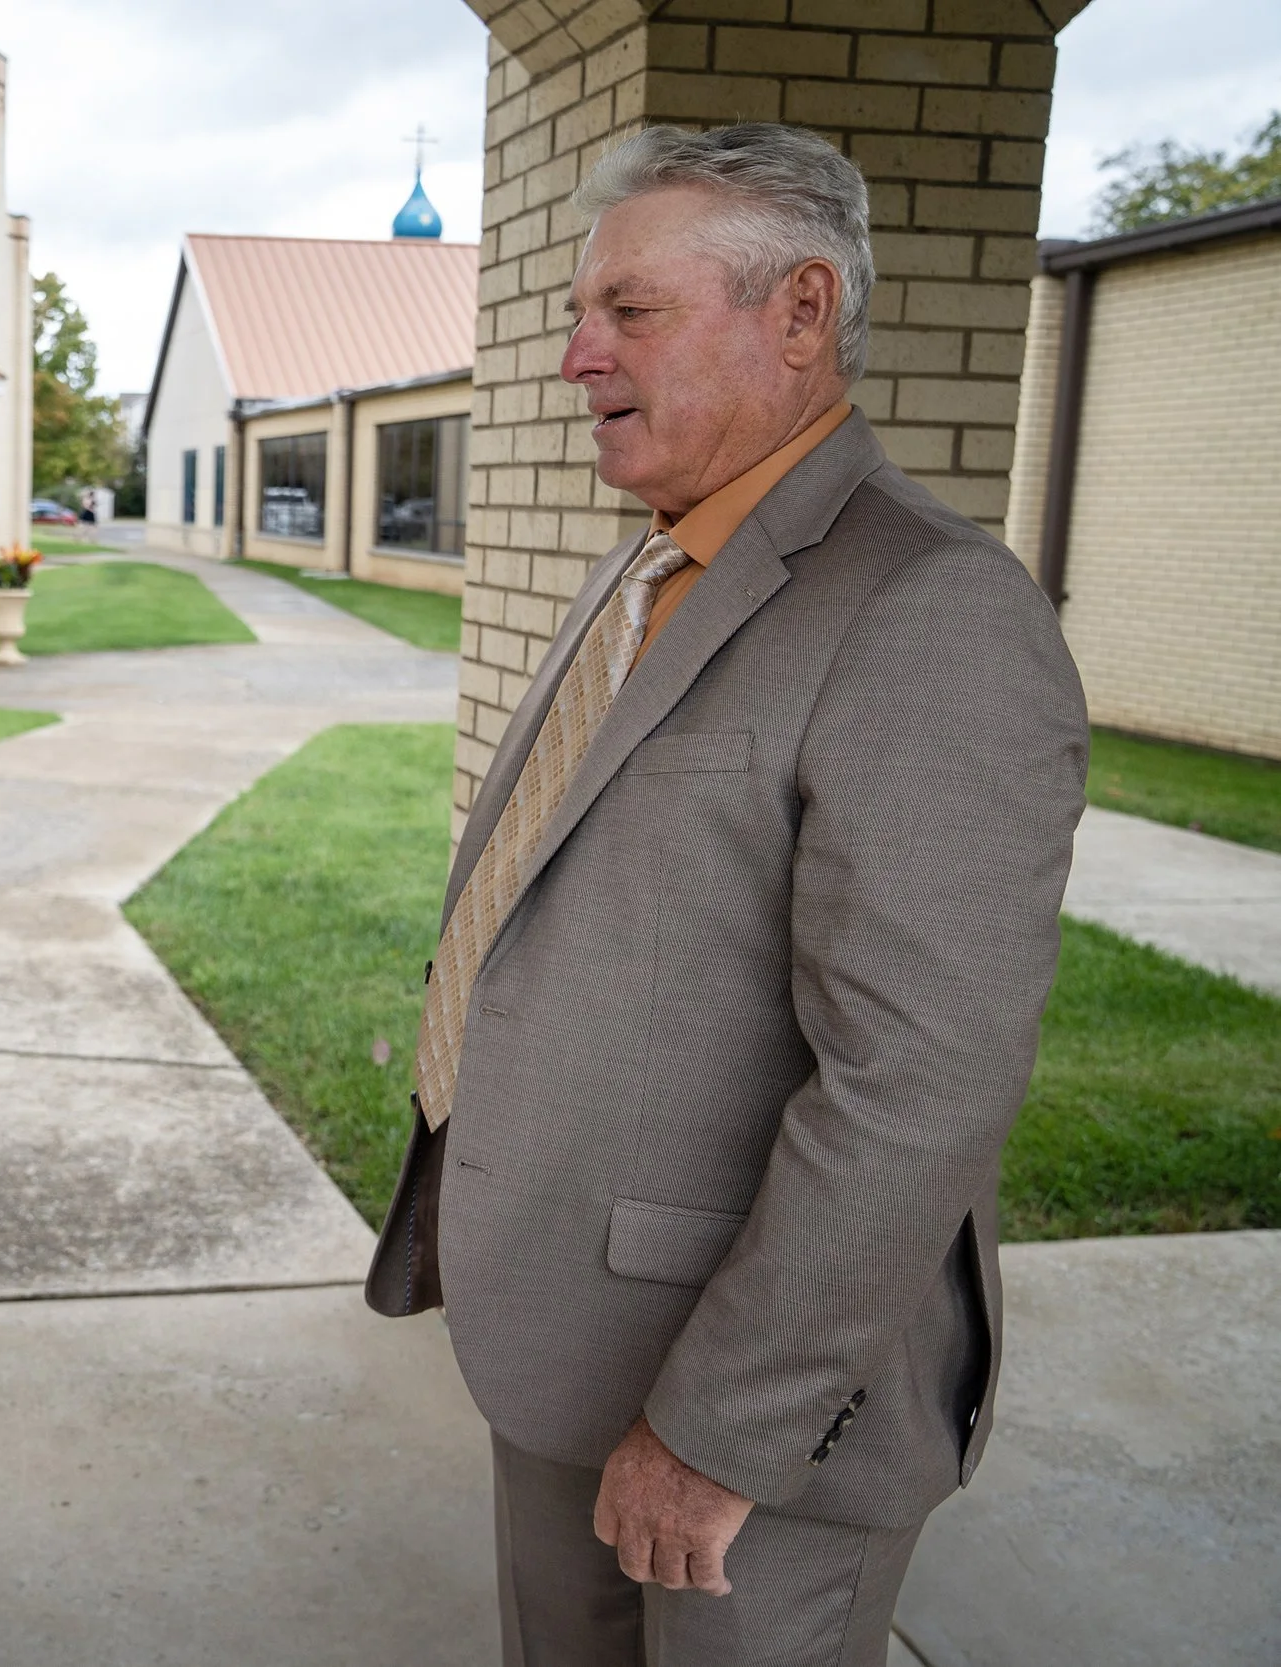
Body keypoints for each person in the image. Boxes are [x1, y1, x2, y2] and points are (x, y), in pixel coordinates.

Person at [366, 124, 1087, 1665]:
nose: (576, 357)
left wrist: (718, 1429)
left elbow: (920, 1085)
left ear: (802, 314)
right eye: (580, 315)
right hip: (567, 1344)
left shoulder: (930, 611)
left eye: (630, 311)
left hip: (746, 1415)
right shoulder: (644, 565)